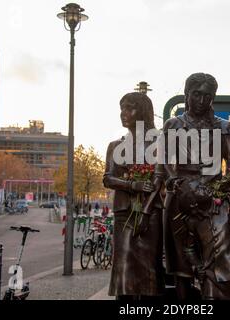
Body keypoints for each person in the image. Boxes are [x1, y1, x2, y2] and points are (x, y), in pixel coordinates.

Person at [160, 73, 230, 300]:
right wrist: (176, 181)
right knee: (180, 264)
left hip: (213, 198)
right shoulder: (174, 124)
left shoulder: (224, 127)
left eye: (208, 96)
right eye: (197, 94)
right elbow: (164, 159)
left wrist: (225, 187)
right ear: (187, 95)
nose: (202, 101)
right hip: (180, 196)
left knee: (215, 258)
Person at [103, 92, 164, 300]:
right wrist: (133, 185)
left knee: (149, 270)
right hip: (123, 214)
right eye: (122, 108)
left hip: (151, 213)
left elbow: (161, 179)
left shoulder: (159, 142)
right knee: (124, 270)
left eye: (130, 108)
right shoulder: (115, 146)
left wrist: (146, 213)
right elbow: (108, 179)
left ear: (144, 112)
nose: (124, 113)